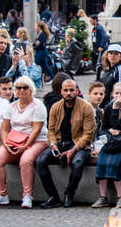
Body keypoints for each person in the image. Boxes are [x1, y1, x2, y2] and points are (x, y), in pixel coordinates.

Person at [0, 76, 47, 207]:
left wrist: (26, 146)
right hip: (15, 140)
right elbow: (4, 128)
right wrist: (5, 143)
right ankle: (1, 194)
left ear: (31, 89)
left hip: (36, 140)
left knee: (25, 160)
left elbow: (36, 129)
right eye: (18, 88)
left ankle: (27, 195)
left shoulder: (38, 105)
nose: (21, 91)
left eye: (25, 87)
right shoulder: (11, 106)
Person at [36, 76, 96, 208]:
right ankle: (53, 196)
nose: (68, 93)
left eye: (71, 90)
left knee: (77, 162)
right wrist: (52, 143)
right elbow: (50, 130)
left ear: (77, 91)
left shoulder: (86, 107)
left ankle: (69, 193)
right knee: (40, 161)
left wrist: (74, 150)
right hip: (60, 142)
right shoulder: (55, 107)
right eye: (66, 90)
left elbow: (88, 134)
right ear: (61, 92)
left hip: (80, 144)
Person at [93, 82, 121, 208]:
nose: (119, 96)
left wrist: (116, 110)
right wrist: (110, 130)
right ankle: (103, 197)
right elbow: (104, 126)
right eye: (116, 93)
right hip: (111, 142)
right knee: (101, 163)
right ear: (112, 94)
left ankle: (120, 197)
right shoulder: (108, 107)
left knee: (114, 164)